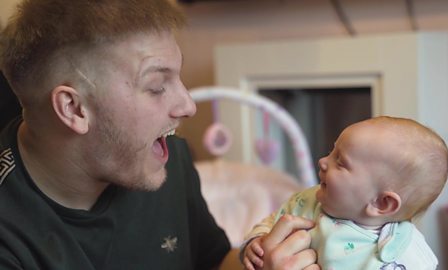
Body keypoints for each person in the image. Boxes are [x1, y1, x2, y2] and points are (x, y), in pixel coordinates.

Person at [0, 0, 320, 269]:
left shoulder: (169, 158)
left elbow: (213, 260)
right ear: (73, 108)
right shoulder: (11, 237)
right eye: (156, 87)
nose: (188, 105)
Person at [243, 116, 448, 270]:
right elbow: (272, 222)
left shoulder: (399, 252)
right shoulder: (306, 201)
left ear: (381, 202)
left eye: (340, 162)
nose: (323, 161)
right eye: (332, 151)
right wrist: (256, 241)